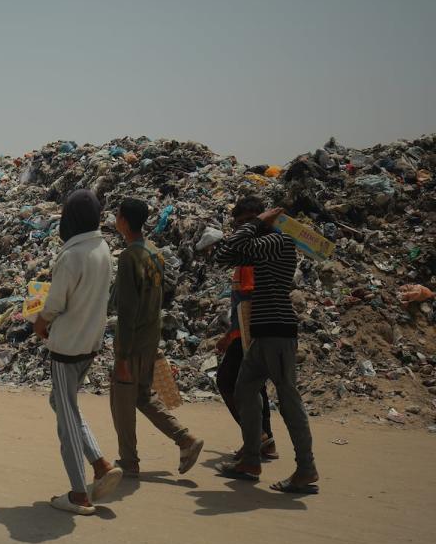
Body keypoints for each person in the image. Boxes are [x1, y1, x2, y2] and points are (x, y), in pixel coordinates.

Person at [214, 198, 319, 494]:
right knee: (244, 391)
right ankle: (250, 460)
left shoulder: (277, 241)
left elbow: (226, 250)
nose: (243, 227)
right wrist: (254, 224)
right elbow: (224, 255)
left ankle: (307, 469)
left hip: (277, 331)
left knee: (288, 400)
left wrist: (257, 223)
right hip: (260, 333)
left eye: (248, 221)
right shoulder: (262, 246)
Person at [34, 189, 123, 515]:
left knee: (66, 419)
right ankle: (100, 465)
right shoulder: (102, 248)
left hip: (68, 346)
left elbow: (56, 303)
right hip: (90, 343)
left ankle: (79, 494)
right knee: (61, 402)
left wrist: (39, 322)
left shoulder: (72, 255)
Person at [110, 198, 204, 477]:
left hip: (134, 341)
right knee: (142, 396)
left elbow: (126, 311)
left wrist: (123, 356)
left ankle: (129, 461)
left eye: (117, 215)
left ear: (124, 221)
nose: (115, 220)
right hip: (150, 337)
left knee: (121, 401)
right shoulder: (155, 253)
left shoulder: (130, 257)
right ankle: (185, 439)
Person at [213, 196, 278, 460]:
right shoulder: (252, 253)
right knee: (256, 388)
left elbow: (250, 303)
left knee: (228, 383)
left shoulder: (254, 255)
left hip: (249, 334)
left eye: (248, 222)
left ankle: (257, 438)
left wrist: (231, 335)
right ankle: (266, 442)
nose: (242, 228)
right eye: (238, 223)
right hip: (252, 332)